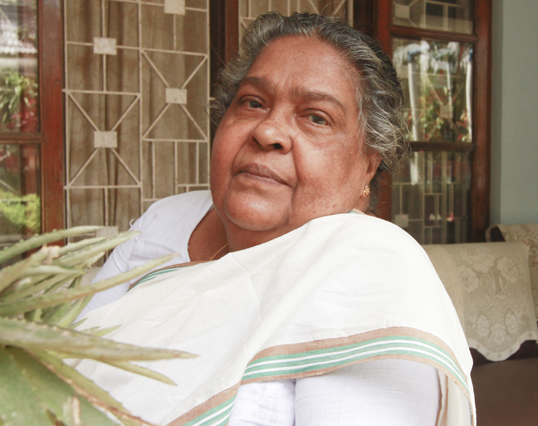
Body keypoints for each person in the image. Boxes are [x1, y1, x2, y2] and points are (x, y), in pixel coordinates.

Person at [76, 12, 475, 426]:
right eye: (253, 102)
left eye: (316, 117)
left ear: (368, 166)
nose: (267, 131)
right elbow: (66, 362)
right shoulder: (165, 220)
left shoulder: (373, 276)